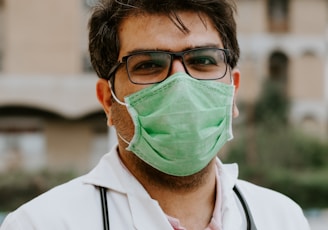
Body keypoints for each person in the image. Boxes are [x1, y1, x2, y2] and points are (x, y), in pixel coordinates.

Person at [1, 0, 310, 229]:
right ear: (108, 100)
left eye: (203, 60)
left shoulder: (283, 218)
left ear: (233, 89)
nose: (181, 84)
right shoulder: (39, 224)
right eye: (148, 64)